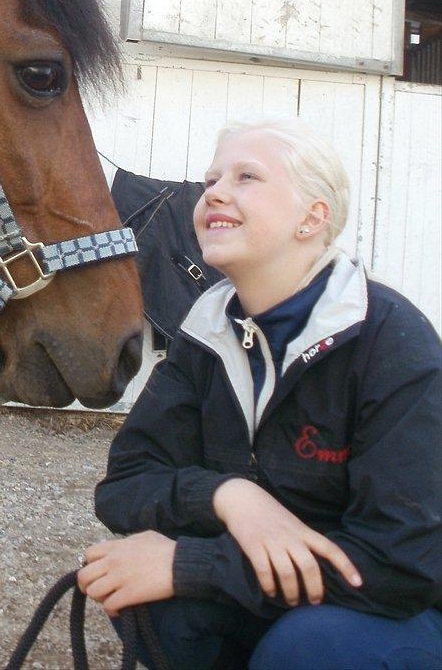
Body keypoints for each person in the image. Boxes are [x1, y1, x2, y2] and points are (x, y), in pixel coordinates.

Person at [78, 118, 442, 669]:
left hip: (389, 606)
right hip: (271, 589)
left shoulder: (392, 341)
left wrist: (192, 565)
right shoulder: (204, 333)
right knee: (148, 604)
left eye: (247, 176)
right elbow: (126, 485)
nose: (214, 191)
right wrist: (231, 497)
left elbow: (401, 564)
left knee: (309, 647)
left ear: (312, 218)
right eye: (211, 178)